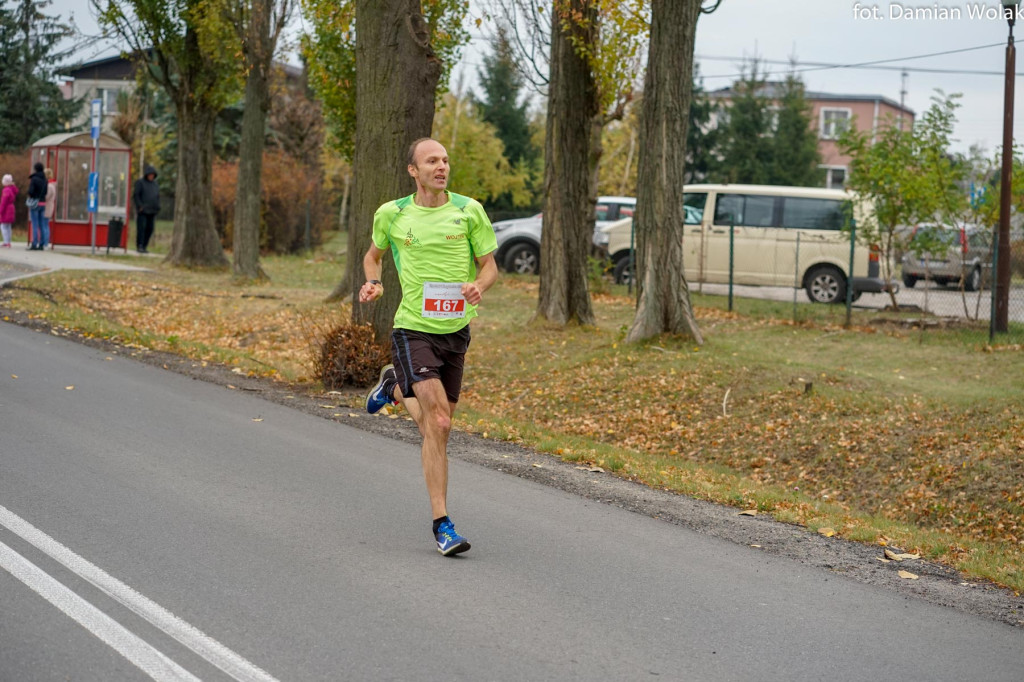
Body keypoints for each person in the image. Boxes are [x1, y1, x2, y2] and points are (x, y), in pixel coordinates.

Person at [359, 137, 498, 557]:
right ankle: (442, 524)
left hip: (456, 331)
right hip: (413, 328)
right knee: (437, 424)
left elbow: (489, 265)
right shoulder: (393, 214)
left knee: (439, 428)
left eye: (445, 160)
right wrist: (375, 282)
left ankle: (394, 387)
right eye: (431, 161)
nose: (441, 167)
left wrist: (478, 286)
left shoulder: (469, 210)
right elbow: (373, 256)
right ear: (413, 171)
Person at [132, 165, 160, 253]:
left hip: (152, 210)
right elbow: (136, 195)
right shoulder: (140, 183)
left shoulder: (155, 184)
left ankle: (144, 245)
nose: (151, 176)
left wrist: (158, 206)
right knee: (141, 228)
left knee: (150, 229)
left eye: (153, 175)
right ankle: (139, 245)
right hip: (143, 210)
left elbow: (157, 196)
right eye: (150, 175)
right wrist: (139, 206)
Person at [26, 162, 47, 250]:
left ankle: (34, 243)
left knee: (35, 224)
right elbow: (46, 192)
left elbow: (31, 191)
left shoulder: (34, 179)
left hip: (35, 202)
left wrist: (31, 194)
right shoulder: (45, 179)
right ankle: (42, 244)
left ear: (35, 169)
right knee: (42, 224)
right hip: (43, 203)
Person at [0, 174, 16, 248]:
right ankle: (8, 241)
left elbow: (3, 202)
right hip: (11, 208)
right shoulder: (12, 189)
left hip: (6, 209)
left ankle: (6, 242)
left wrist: (0, 211)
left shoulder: (6, 190)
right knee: (8, 226)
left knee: (3, 226)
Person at [43, 167, 56, 244]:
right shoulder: (51, 185)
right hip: (48, 206)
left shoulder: (49, 186)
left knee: (45, 225)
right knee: (45, 224)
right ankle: (45, 241)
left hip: (47, 207)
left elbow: (46, 196)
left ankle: (45, 242)